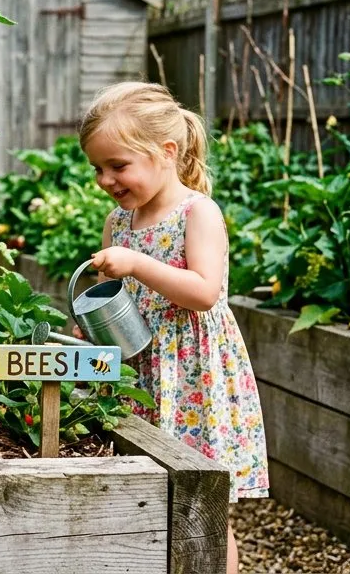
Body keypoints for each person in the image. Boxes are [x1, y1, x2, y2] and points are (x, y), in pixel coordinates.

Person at [78, 81, 268, 574]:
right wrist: (91, 332)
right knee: (140, 493)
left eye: (118, 165)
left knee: (201, 501)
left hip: (192, 377)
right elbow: (110, 299)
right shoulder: (119, 222)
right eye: (98, 168)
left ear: (166, 152)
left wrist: (137, 263)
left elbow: (204, 292)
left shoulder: (197, 212)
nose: (106, 179)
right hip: (139, 370)